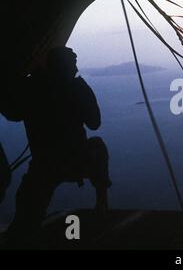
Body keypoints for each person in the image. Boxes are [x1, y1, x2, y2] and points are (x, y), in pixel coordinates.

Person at [5, 47, 111, 242]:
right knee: (98, 146)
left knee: (26, 218)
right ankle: (102, 203)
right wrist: (84, 90)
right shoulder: (75, 88)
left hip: (44, 165)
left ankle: (22, 237)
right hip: (75, 160)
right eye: (73, 64)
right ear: (65, 66)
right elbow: (95, 123)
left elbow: (12, 113)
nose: (76, 68)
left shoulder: (33, 88)